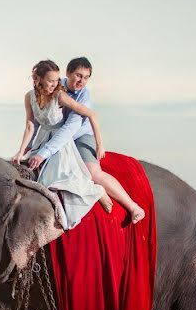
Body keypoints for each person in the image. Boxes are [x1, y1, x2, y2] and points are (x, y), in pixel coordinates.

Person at [15, 57, 146, 224]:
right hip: (52, 136)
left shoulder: (78, 95)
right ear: (67, 73)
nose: (82, 81)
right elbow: (32, 124)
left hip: (79, 135)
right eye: (78, 75)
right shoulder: (54, 85)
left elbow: (70, 128)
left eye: (86, 77)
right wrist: (27, 148)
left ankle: (132, 206)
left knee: (92, 172)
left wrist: (99, 143)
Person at [11, 60, 103, 230]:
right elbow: (31, 126)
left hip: (60, 141)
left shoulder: (59, 95)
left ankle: (94, 194)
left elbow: (90, 113)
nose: (56, 84)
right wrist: (21, 151)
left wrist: (99, 143)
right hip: (42, 139)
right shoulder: (29, 97)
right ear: (38, 79)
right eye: (51, 80)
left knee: (54, 180)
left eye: (56, 80)